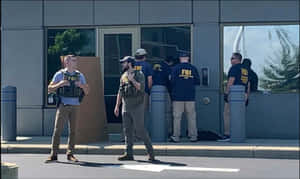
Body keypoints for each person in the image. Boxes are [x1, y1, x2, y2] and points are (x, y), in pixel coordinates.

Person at [45, 55, 89, 163]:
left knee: (73, 131)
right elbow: (49, 89)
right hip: (63, 105)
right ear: (67, 63)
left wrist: (81, 86)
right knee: (57, 130)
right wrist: (60, 84)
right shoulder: (60, 74)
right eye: (73, 60)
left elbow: (87, 91)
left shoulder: (80, 75)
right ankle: (54, 154)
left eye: (75, 60)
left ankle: (70, 154)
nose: (76, 62)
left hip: (75, 106)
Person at [114, 56, 156, 161]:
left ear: (129, 63)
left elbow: (141, 88)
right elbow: (120, 91)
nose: (122, 64)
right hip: (126, 106)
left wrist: (132, 80)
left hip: (137, 106)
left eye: (124, 63)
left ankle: (151, 153)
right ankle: (128, 154)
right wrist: (117, 106)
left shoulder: (139, 74)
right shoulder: (123, 76)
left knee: (140, 130)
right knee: (127, 131)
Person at [169, 52, 200, 143]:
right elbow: (197, 81)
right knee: (191, 117)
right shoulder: (193, 68)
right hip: (190, 96)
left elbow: (172, 81)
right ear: (188, 58)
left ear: (180, 59)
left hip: (178, 96)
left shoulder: (175, 68)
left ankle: (176, 136)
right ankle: (193, 136)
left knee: (177, 117)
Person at [221, 52, 250, 141]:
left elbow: (231, 81)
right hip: (243, 94)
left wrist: (226, 93)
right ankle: (239, 134)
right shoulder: (245, 69)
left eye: (232, 58)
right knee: (239, 115)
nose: (231, 60)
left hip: (234, 94)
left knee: (227, 114)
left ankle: (228, 134)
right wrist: (247, 96)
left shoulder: (234, 68)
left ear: (238, 59)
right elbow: (248, 84)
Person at [134, 48, 153, 132]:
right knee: (142, 114)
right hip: (143, 92)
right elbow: (149, 80)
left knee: (131, 113)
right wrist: (148, 91)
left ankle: (128, 135)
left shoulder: (131, 64)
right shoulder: (147, 65)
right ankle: (140, 134)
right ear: (144, 56)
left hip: (131, 93)